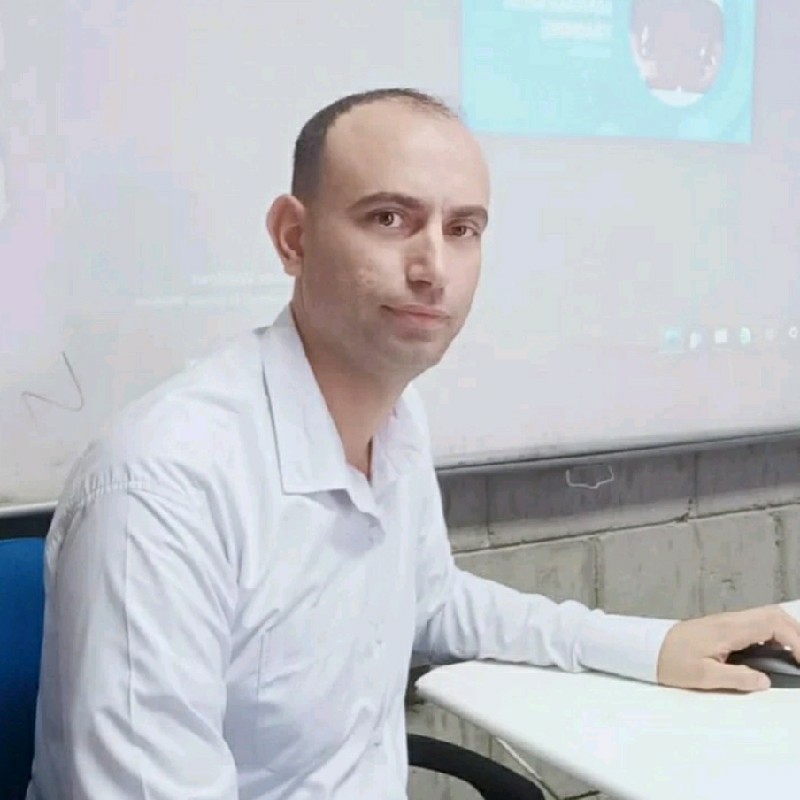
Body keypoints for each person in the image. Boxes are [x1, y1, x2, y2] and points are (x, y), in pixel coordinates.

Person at [27, 88, 800, 800]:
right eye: (390, 219)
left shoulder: (395, 420)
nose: (434, 269)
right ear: (293, 237)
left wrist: (655, 645)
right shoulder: (163, 487)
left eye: (462, 229)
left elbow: (433, 600)